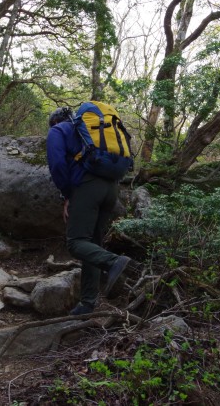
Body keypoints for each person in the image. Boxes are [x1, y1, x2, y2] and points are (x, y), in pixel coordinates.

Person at [46, 107, 132, 315]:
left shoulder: (58, 131)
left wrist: (67, 194)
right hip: (112, 188)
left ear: (55, 121)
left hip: (88, 187)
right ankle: (87, 303)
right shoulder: (89, 131)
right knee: (92, 245)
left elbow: (57, 164)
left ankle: (113, 262)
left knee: (76, 243)